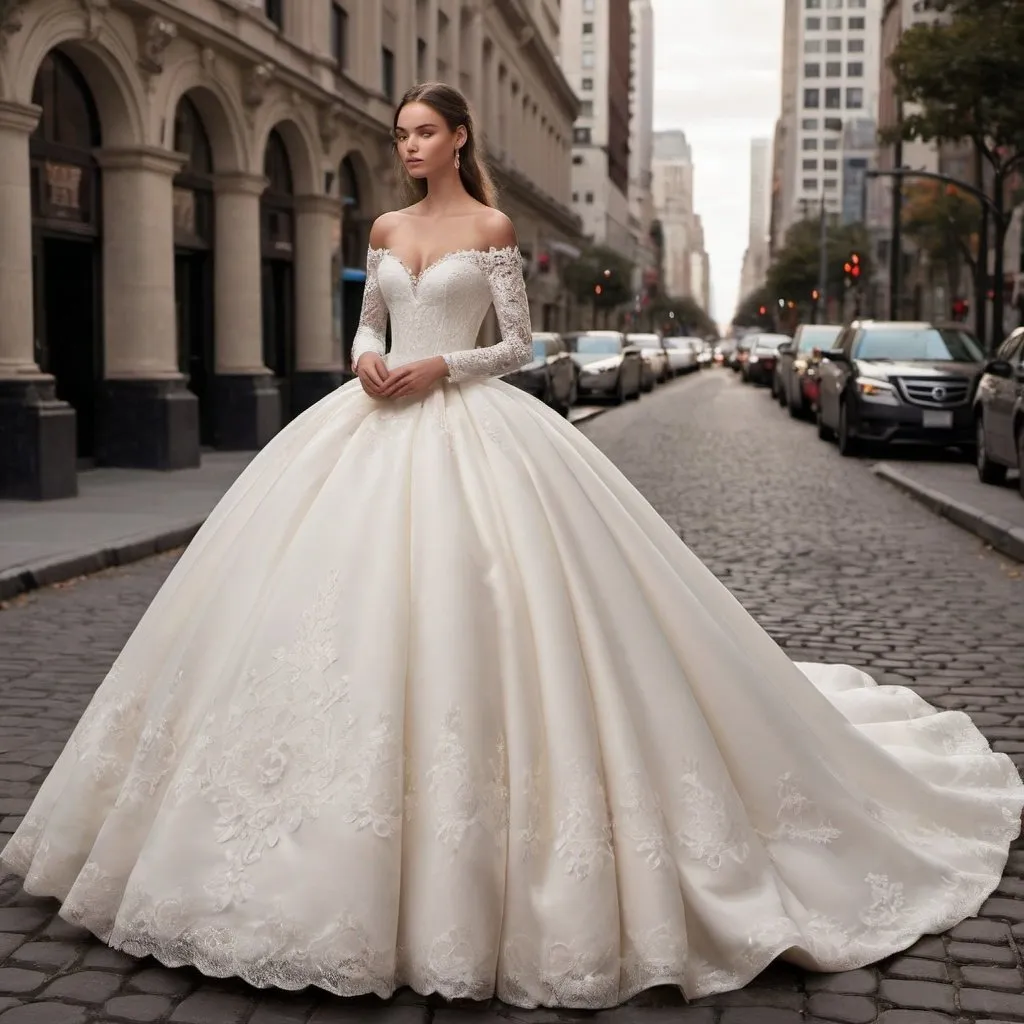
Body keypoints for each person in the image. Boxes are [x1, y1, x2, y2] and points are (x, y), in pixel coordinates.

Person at [1, 82, 1021, 1010]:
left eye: (424, 131)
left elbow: (515, 347)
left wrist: (437, 365)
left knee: (480, 610)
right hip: (365, 431)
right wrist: (366, 362)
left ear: (459, 137)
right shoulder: (387, 222)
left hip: (465, 423)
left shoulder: (489, 223)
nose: (407, 146)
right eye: (399, 133)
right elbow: (361, 320)